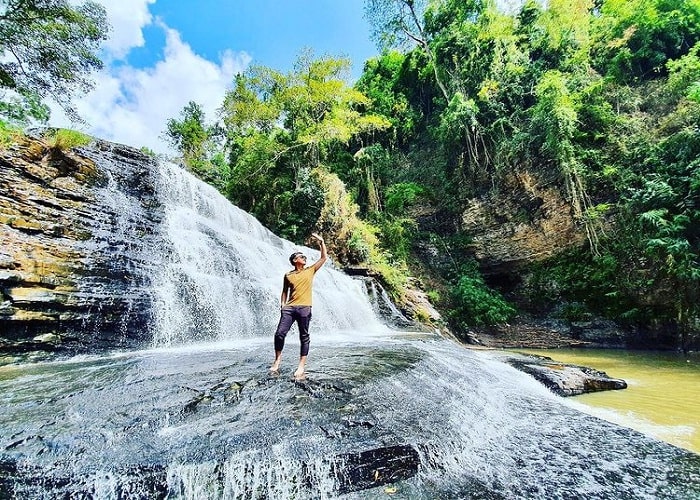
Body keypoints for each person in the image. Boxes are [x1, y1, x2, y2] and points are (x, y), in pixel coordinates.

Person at [269, 233, 327, 378]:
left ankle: (301, 366)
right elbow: (284, 291)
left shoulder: (310, 270)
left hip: (305, 308)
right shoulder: (288, 275)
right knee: (279, 334)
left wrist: (321, 242)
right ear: (295, 260)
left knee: (304, 336)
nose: (305, 258)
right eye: (302, 257)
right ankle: (277, 360)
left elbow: (323, 258)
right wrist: (283, 305)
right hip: (289, 308)